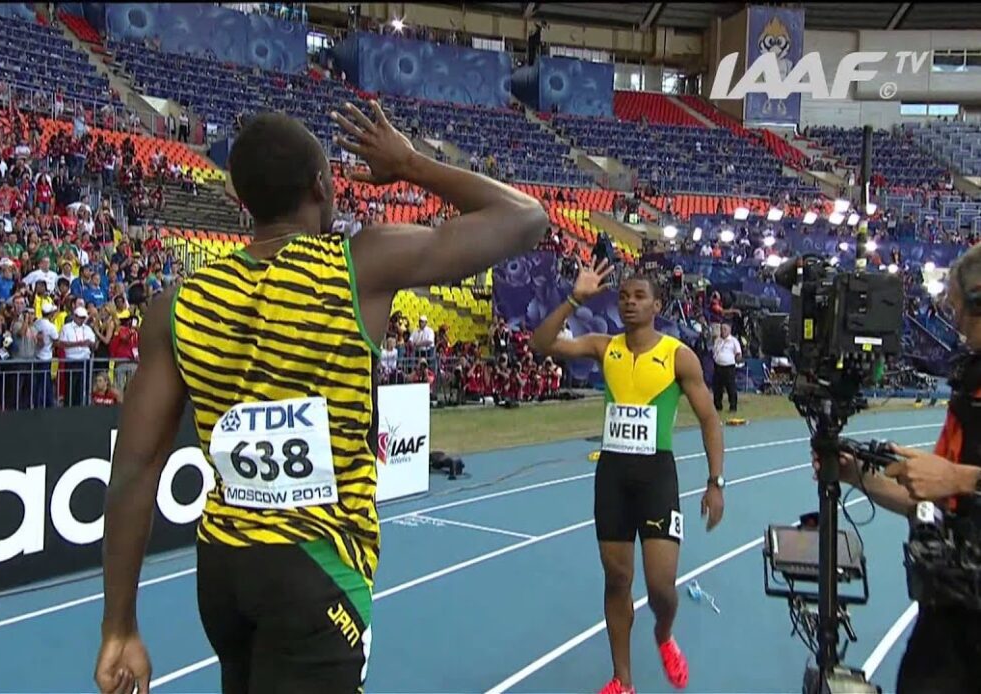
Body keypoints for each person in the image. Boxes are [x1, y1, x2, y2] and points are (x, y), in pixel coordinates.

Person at [94, 102, 548, 694]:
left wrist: (118, 626)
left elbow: (133, 470)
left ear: (241, 201)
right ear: (323, 187)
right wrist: (409, 163)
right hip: (317, 562)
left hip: (225, 570)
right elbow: (526, 219)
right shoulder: (360, 265)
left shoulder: (176, 305)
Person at [530, 258, 726, 694]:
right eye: (623, 296)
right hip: (613, 476)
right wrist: (573, 298)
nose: (630, 303)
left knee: (661, 588)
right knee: (617, 580)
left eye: (639, 296)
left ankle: (663, 635)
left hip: (657, 476)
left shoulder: (678, 356)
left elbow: (710, 419)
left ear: (656, 305)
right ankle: (623, 680)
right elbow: (541, 344)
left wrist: (715, 483)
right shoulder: (604, 346)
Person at [815, 244, 981, 693]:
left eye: (959, 307)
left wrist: (961, 477)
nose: (955, 319)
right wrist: (858, 475)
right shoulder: (969, 387)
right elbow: (925, 497)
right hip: (953, 605)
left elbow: (951, 481)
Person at [710, 323, 742, 413]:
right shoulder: (718, 340)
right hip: (718, 366)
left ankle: (733, 407)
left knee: (731, 388)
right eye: (721, 329)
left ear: (729, 330)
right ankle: (717, 406)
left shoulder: (733, 341)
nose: (722, 331)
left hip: (729, 367)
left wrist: (737, 360)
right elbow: (714, 350)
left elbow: (738, 353)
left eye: (725, 329)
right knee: (717, 388)